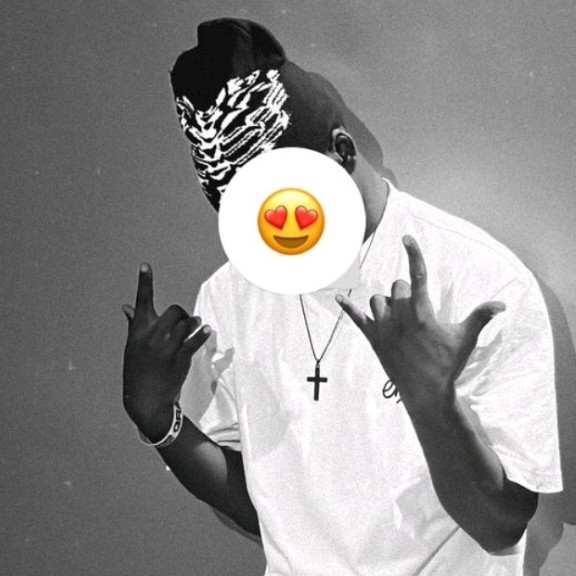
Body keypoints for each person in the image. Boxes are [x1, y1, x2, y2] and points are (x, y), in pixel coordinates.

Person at [122, 18, 562, 575]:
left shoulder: (479, 280)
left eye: (292, 207)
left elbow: (501, 526)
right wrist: (159, 419)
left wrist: (432, 400)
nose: (279, 235)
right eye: (251, 220)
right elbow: (266, 510)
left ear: (342, 151)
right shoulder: (231, 296)